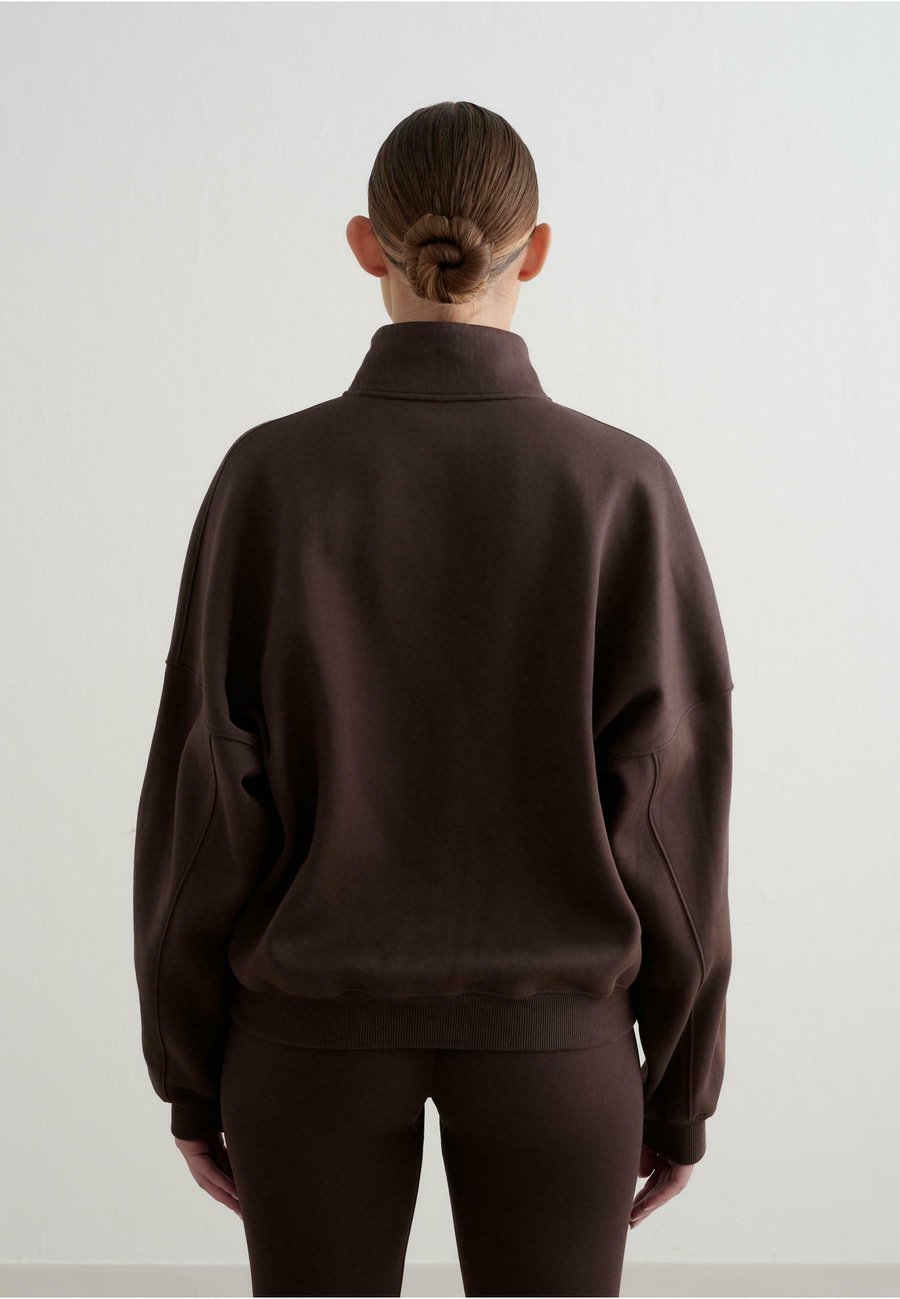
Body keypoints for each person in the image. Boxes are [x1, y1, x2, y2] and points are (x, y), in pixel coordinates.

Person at [133, 100, 734, 1298]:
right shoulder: (621, 484)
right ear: (537, 250)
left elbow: (208, 801)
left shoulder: (269, 477)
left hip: (303, 1049)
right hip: (560, 1053)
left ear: (367, 244)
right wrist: (681, 1087)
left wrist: (189, 1074)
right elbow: (670, 821)